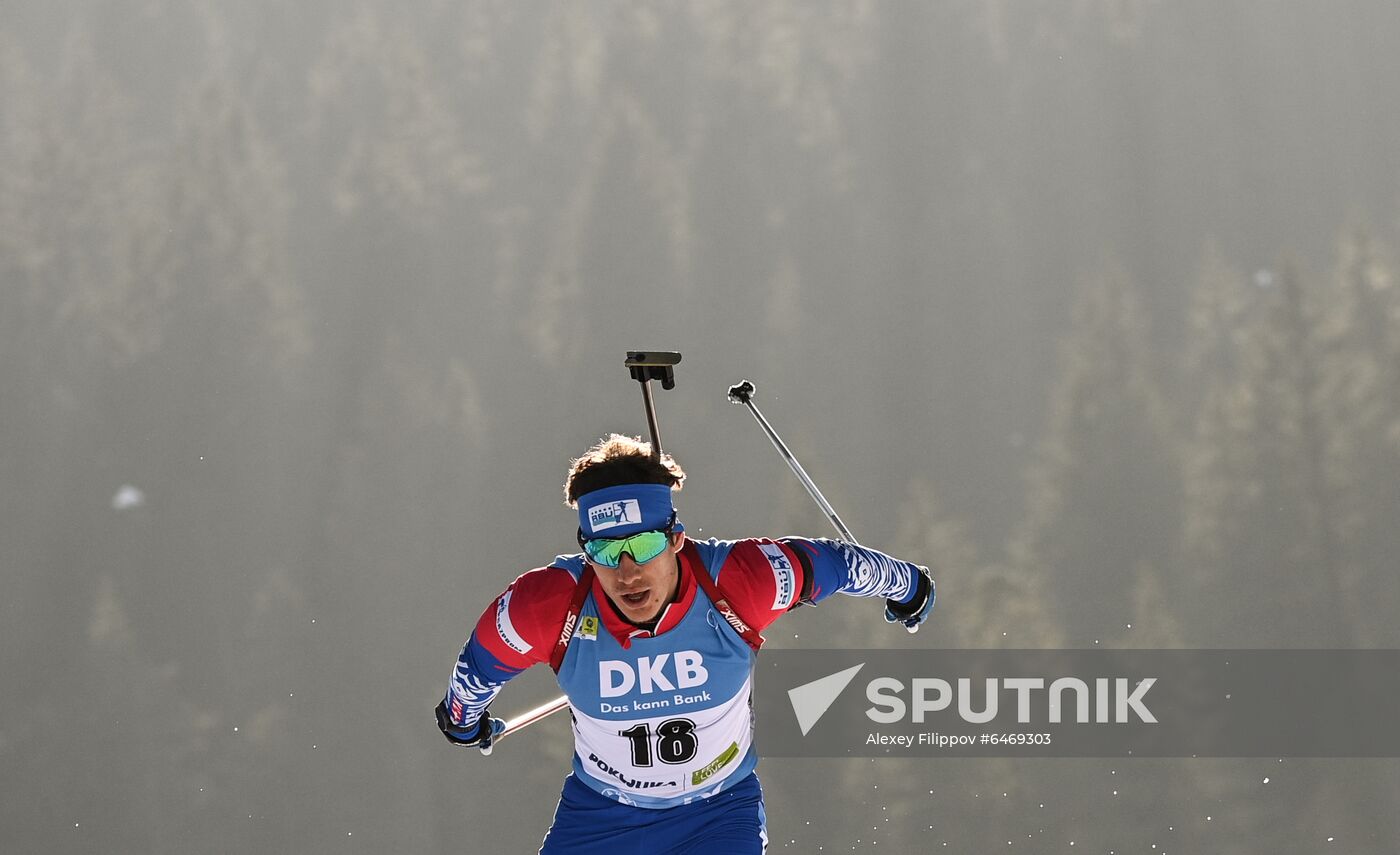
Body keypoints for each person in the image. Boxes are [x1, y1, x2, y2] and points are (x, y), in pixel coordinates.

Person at [435, 434, 935, 854]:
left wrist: (908, 587)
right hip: (601, 819)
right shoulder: (545, 605)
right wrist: (462, 720)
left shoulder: (741, 581)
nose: (627, 572)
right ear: (585, 550)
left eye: (644, 545)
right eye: (605, 551)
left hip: (718, 815)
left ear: (675, 536)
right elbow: (478, 670)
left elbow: (840, 564)